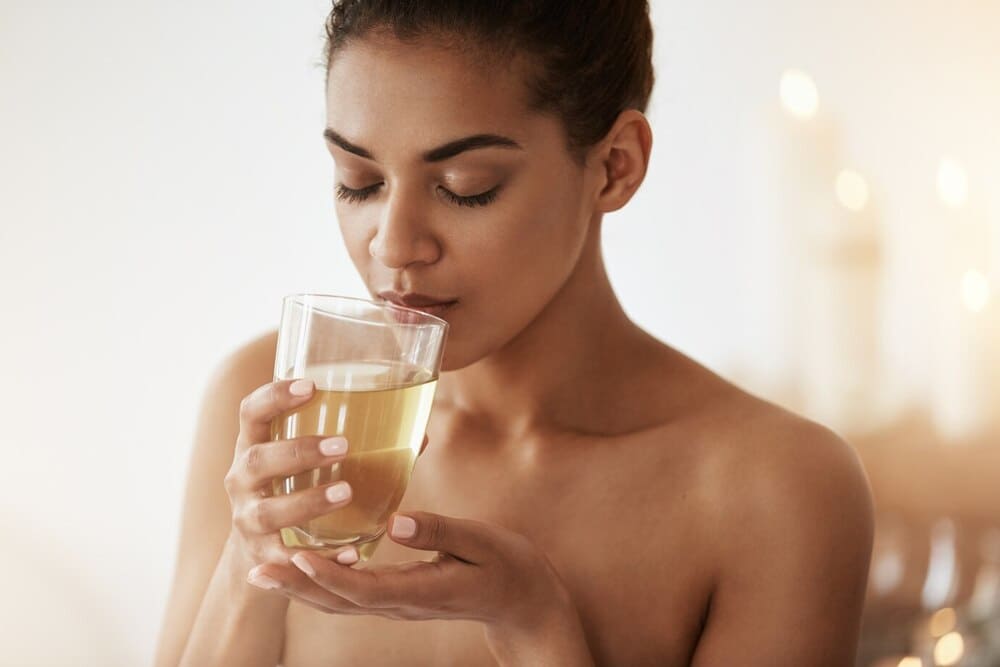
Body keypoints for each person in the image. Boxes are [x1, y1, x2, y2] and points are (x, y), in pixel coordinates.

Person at [155, 1, 875, 665]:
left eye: (466, 185)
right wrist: (248, 566)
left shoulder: (774, 491)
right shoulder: (272, 407)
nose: (394, 245)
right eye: (358, 181)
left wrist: (536, 624)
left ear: (614, 167)